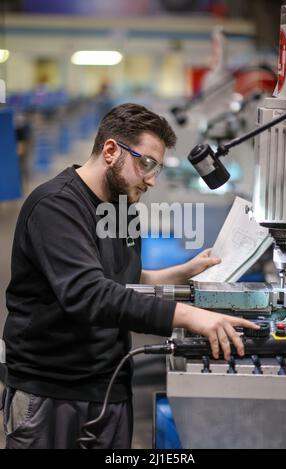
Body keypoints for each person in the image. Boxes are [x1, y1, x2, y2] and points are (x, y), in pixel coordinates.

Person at [2, 103, 259, 449]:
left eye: (157, 168)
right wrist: (190, 317)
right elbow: (90, 294)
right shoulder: (56, 206)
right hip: (51, 394)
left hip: (109, 388)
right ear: (111, 150)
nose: (152, 180)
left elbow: (122, 278)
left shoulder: (121, 207)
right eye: (146, 164)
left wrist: (182, 273)